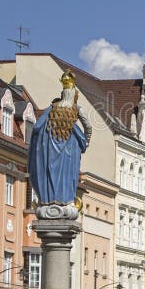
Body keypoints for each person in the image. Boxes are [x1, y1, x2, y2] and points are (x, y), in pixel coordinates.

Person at [28, 69, 92, 204]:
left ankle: (49, 200)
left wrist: (39, 142)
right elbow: (88, 127)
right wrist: (85, 142)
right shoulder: (77, 109)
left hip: (50, 150)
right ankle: (65, 200)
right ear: (74, 94)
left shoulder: (52, 108)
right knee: (66, 177)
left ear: (63, 93)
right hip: (69, 152)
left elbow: (37, 127)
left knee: (50, 174)